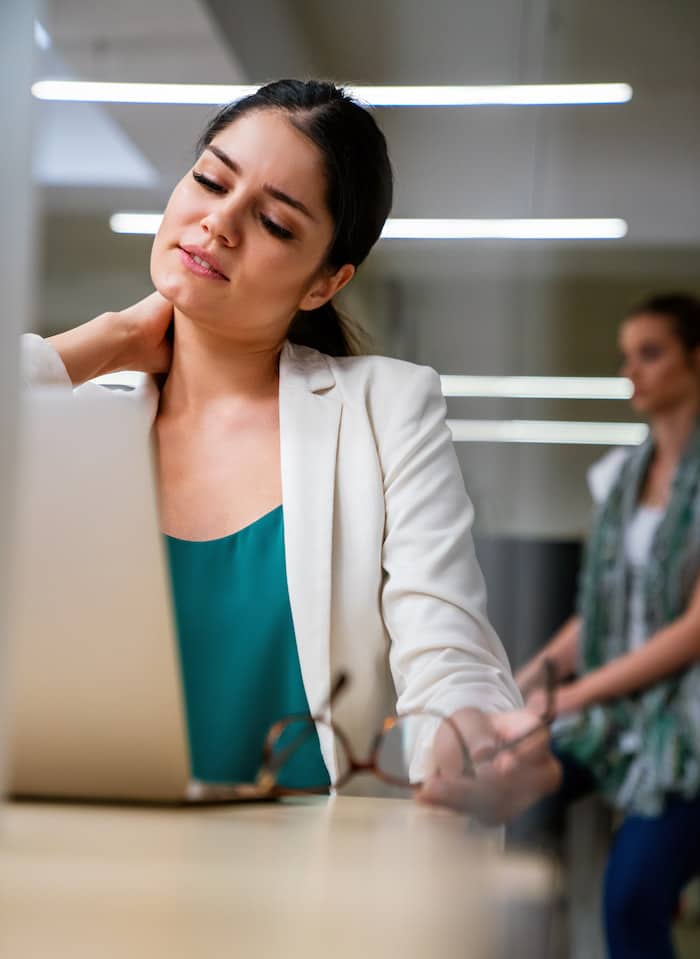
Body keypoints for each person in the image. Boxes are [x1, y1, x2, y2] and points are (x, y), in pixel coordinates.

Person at [22, 78, 558, 821]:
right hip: (91, 851)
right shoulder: (73, 418)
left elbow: (445, 648)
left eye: (274, 223)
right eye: (211, 181)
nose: (219, 222)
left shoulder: (385, 411)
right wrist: (103, 341)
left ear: (324, 283)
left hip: (301, 868)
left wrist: (470, 733)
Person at [513, 293, 700, 959]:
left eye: (650, 353)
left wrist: (572, 696)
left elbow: (692, 629)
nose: (631, 372)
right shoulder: (621, 476)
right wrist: (525, 681)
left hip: (687, 731)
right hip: (616, 715)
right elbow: (599, 614)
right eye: (627, 356)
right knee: (504, 782)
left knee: (632, 901)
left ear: (696, 360)